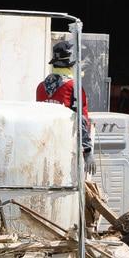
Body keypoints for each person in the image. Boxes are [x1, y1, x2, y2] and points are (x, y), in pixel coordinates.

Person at [36, 40, 93, 175]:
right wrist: (88, 151)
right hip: (68, 151)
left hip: (43, 150)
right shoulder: (73, 87)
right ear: (70, 66)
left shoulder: (40, 87)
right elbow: (82, 120)